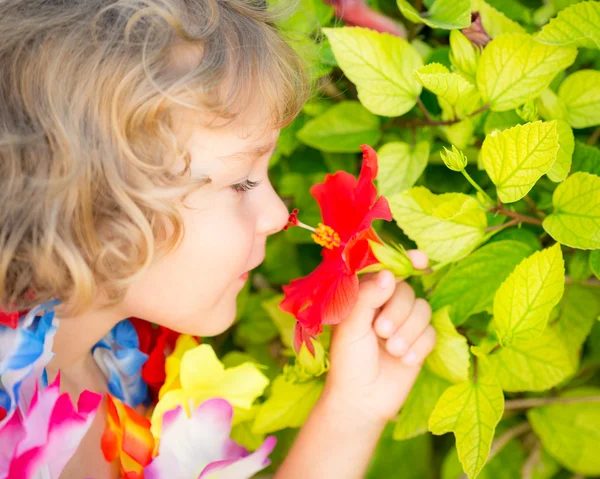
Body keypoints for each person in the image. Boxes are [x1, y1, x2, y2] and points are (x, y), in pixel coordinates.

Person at [0, 0, 436, 477]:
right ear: (92, 208)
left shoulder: (135, 350)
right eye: (240, 182)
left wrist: (352, 411)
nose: (276, 215)